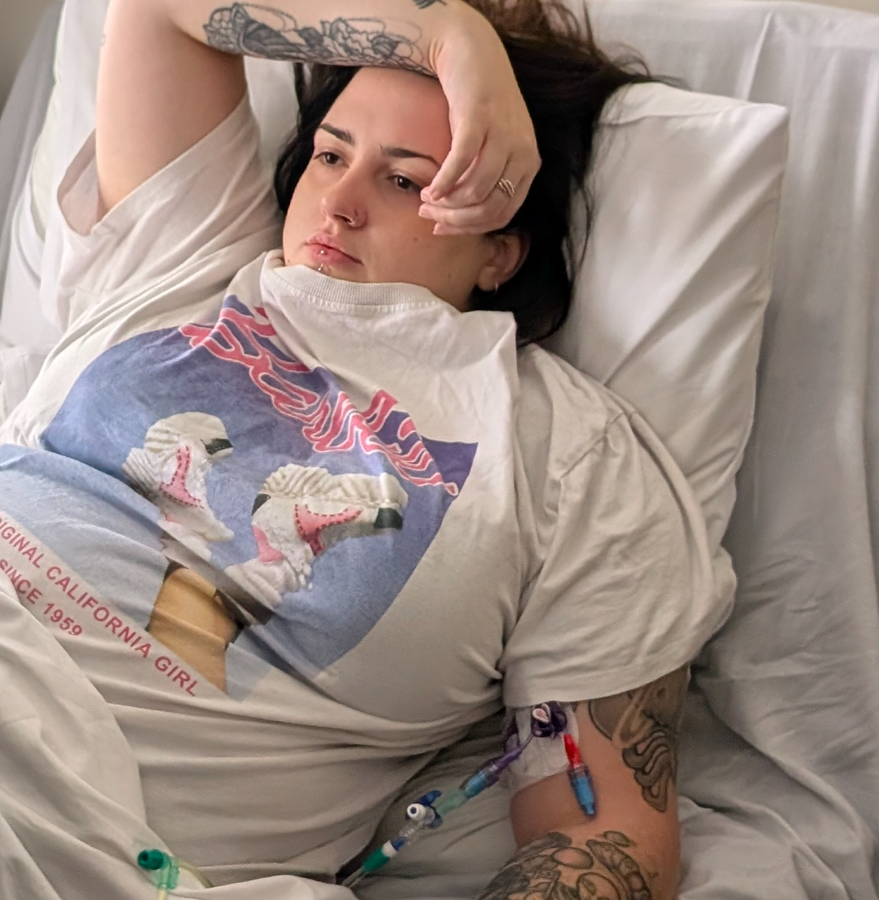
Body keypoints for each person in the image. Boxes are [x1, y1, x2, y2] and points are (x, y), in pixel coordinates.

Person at [0, 1, 728, 899]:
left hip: (77, 829)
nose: (339, 204)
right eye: (330, 155)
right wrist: (447, 36)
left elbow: (602, 828)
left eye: (406, 180)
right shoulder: (192, 259)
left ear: (501, 251)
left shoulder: (571, 458)